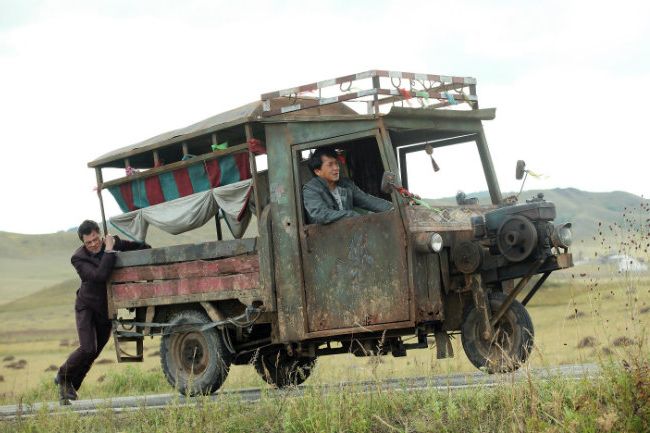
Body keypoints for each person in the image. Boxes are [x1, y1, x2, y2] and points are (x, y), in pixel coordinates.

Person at [56, 220, 150, 404]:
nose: (93, 244)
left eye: (95, 239)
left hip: (106, 309)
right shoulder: (78, 258)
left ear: (99, 233)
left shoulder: (111, 242)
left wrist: (150, 251)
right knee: (87, 348)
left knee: (94, 352)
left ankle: (70, 387)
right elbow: (100, 276)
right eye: (88, 242)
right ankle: (62, 377)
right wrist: (108, 250)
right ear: (83, 242)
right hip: (87, 307)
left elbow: (134, 246)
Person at [303, 147, 393, 224]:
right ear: (318, 171)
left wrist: (393, 207)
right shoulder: (311, 189)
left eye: (336, 163)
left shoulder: (346, 184)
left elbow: (366, 200)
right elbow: (320, 215)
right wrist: (351, 215)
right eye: (330, 165)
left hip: (349, 233)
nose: (336, 168)